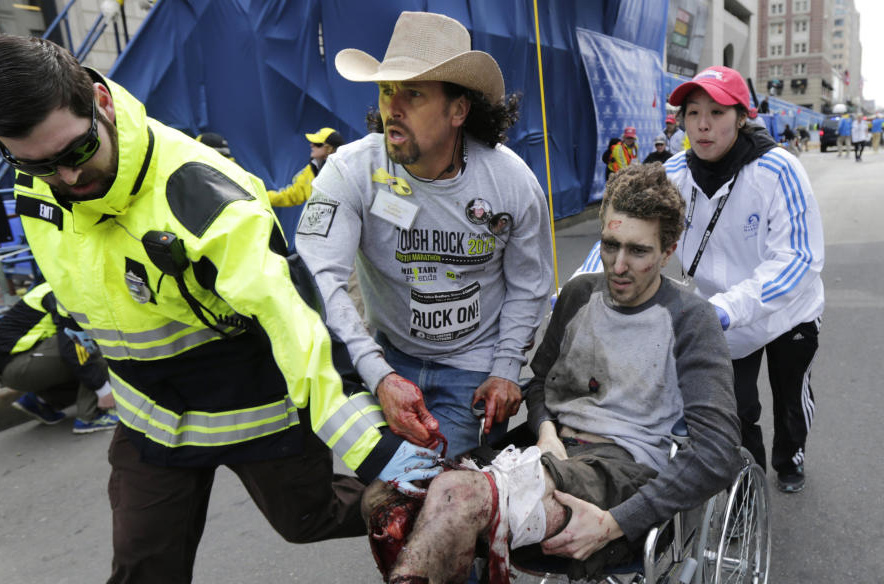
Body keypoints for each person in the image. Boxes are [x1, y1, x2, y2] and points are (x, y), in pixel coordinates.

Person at [0, 36, 438, 582]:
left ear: (102, 102)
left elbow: (296, 323)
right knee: (145, 566)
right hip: (151, 415)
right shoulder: (39, 179)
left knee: (308, 518)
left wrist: (377, 451)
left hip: (249, 401)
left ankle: (444, 501)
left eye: (76, 153)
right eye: (35, 164)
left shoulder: (200, 193)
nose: (66, 180)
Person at [366, 163, 740, 584]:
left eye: (638, 251)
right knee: (388, 501)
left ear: (668, 251)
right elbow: (541, 381)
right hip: (547, 449)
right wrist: (544, 429)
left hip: (622, 469)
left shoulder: (691, 320)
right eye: (610, 244)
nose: (618, 265)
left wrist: (617, 522)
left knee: (460, 500)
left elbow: (718, 451)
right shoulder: (580, 295)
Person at [294, 11, 554, 458]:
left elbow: (530, 284)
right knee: (395, 500)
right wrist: (378, 374)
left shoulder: (511, 182)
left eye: (413, 93)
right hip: (386, 358)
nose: (392, 107)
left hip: (474, 369)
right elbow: (318, 279)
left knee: (446, 504)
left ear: (459, 109)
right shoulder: (351, 172)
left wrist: (507, 369)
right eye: (387, 90)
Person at [665, 65, 824, 493]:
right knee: (735, 407)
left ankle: (791, 457)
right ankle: (746, 490)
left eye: (717, 112)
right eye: (692, 111)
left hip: (790, 311)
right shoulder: (671, 175)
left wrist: (728, 307)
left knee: (790, 398)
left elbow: (800, 258)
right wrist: (579, 287)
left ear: (741, 117)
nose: (702, 124)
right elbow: (623, 225)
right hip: (723, 316)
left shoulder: (778, 170)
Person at [0, 281, 118, 433]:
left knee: (81, 357)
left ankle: (43, 402)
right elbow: (73, 350)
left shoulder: (60, 284)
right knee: (90, 345)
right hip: (17, 366)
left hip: (13, 366)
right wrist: (104, 389)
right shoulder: (66, 294)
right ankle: (90, 417)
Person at [266, 127, 344, 207]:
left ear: (330, 149)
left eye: (317, 144)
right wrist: (263, 197)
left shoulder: (344, 171)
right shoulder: (310, 169)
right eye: (312, 142)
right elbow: (292, 195)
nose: (312, 145)